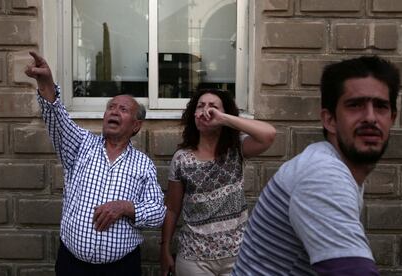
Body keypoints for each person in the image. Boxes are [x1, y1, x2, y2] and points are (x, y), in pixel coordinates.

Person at [232, 55, 400, 275]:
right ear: (329, 119)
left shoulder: (332, 167)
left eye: (380, 106)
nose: (370, 117)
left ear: (392, 119)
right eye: (355, 105)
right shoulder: (323, 175)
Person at [25, 52, 166, 276]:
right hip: (72, 266)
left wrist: (125, 207)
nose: (113, 111)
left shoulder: (143, 164)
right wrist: (47, 85)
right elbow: (58, 119)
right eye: (111, 107)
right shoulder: (81, 145)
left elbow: (158, 212)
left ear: (136, 125)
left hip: (121, 268)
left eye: (123, 109)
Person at [160, 88, 277, 276]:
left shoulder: (236, 149)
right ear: (193, 115)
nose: (206, 111)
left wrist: (223, 119)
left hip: (237, 255)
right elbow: (173, 209)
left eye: (213, 106)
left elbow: (269, 134)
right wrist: (164, 249)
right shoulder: (181, 159)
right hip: (194, 257)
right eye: (200, 106)